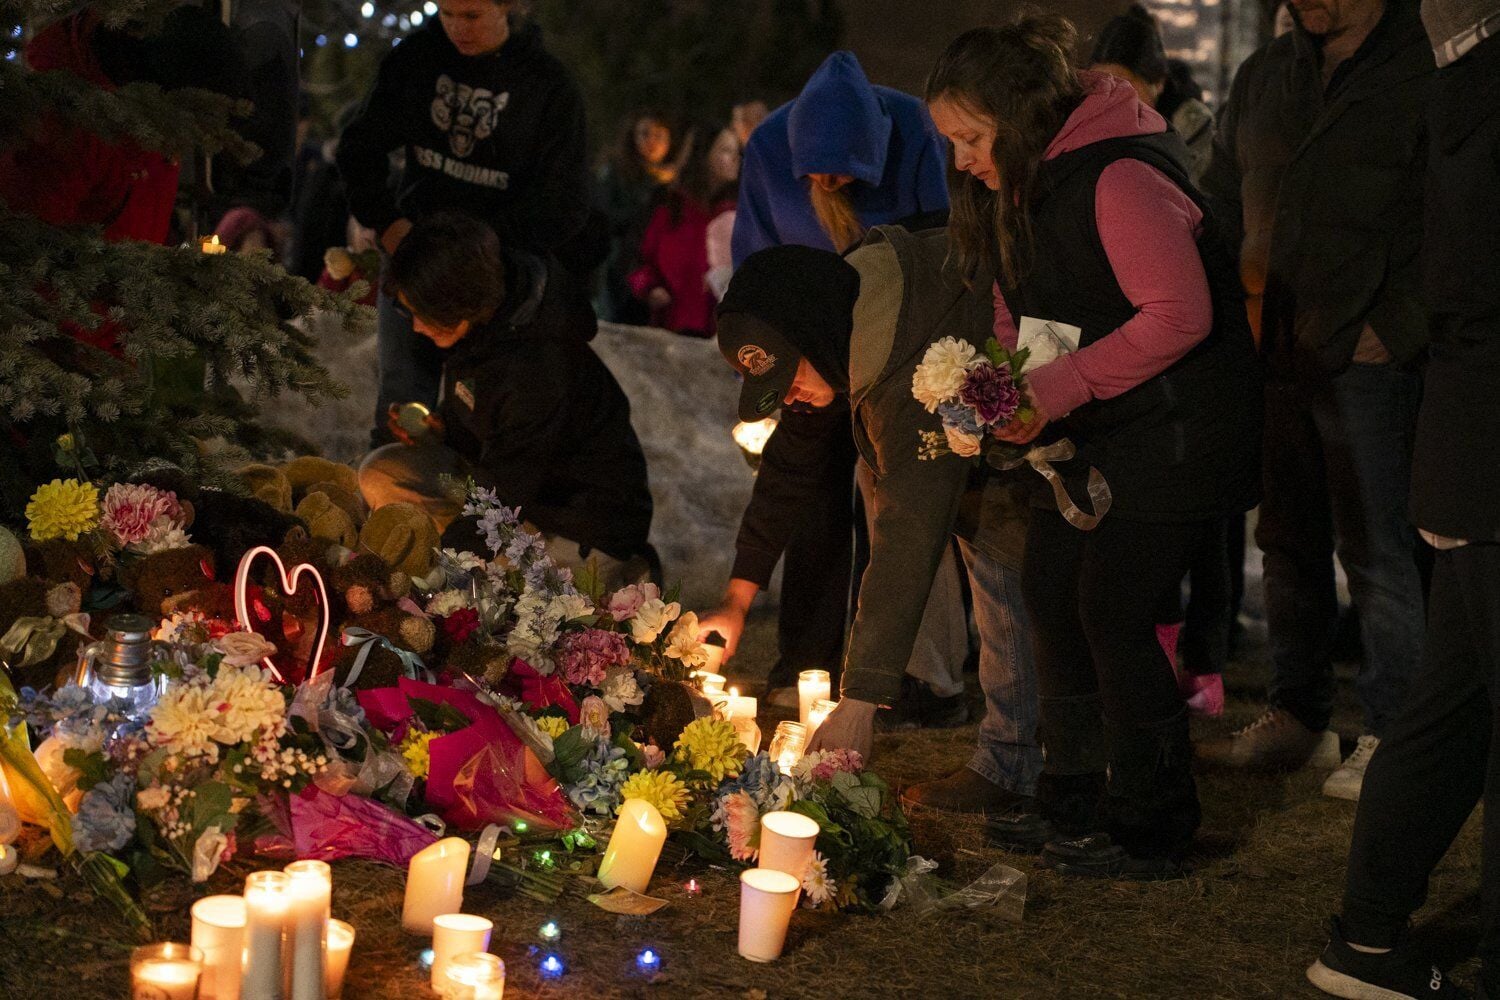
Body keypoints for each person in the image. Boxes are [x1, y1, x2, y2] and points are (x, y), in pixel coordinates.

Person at [924, 15, 1260, 876]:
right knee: (1049, 588)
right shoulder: (1023, 186)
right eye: (951, 142)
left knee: (1113, 607)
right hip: (1096, 429)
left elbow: (1181, 315)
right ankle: (1071, 793)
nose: (961, 159)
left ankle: (1153, 820)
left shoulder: (1118, 176)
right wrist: (1007, 389)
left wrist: (1055, 389)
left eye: (971, 137)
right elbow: (1017, 305)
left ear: (1017, 116)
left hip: (1175, 429)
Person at [718, 234, 1044, 841]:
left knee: (1004, 575)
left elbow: (907, 535)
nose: (789, 396)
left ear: (814, 335)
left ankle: (1021, 762)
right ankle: (1017, 756)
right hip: (999, 464)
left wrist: (860, 702)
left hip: (1056, 451)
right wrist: (738, 598)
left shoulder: (910, 369)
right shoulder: (845, 335)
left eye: (790, 375)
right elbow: (791, 464)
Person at [1196, 0, 1435, 801]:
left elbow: (1457, 215)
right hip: (1273, 348)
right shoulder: (1267, 75)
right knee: (1287, 540)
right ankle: (1299, 715)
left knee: (1377, 550)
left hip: (1367, 358)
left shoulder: (1424, 71)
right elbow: (1220, 200)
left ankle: (1395, 734)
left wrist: (1395, 327)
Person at [1307, 5, 1500, 995]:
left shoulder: (1455, 97)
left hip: (1469, 449)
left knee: (1451, 711)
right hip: (1487, 454)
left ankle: (1369, 940)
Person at [701, 50, 966, 722]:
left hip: (897, 348)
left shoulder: (917, 134)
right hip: (812, 336)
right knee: (814, 498)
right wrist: (735, 601)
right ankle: (810, 657)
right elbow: (783, 480)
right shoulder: (804, 369)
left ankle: (923, 681)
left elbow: (938, 245)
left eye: (843, 171)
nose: (826, 183)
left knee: (894, 504)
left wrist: (864, 700)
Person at [336, 0, 591, 448]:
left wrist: (489, 248)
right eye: (447, 14)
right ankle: (393, 487)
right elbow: (359, 147)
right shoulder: (417, 60)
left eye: (471, 16)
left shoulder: (547, 86)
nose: (457, 28)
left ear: (506, 7)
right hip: (415, 255)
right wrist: (388, 223)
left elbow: (565, 201)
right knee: (402, 403)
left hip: (497, 278)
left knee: (486, 410)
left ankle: (474, 492)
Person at [357, 212, 653, 587]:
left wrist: (440, 575)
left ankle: (615, 577)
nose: (415, 326)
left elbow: (501, 497)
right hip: (507, 490)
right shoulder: (485, 324)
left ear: (455, 301)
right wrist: (441, 431)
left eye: (420, 313)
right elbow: (489, 432)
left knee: (494, 597)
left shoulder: (539, 368)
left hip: (574, 525)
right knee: (383, 473)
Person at [627, 125, 739, 336]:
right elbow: (638, 258)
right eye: (725, 150)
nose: (735, 158)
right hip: (671, 328)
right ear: (703, 155)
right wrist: (650, 288)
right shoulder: (670, 207)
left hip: (718, 333)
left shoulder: (737, 213)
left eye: (736, 151)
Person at [1089, 5, 1217, 184]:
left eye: (1123, 87)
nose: (1110, 99)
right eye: (1100, 86)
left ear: (1158, 83)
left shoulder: (1190, 127)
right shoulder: (1085, 124)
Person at [597, 111, 676, 326]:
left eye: (659, 136)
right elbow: (606, 217)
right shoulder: (615, 172)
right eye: (645, 134)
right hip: (618, 264)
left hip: (654, 268)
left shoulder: (672, 181)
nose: (652, 142)